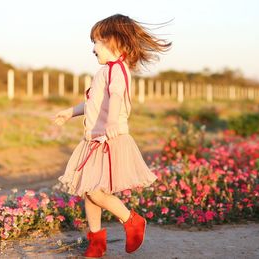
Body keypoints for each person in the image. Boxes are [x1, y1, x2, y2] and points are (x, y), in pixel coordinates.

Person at [52, 14, 171, 258]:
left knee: (96, 191)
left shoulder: (118, 69)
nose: (93, 48)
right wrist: (69, 112)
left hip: (109, 138)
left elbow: (116, 96)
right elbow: (92, 103)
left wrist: (112, 121)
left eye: (97, 42)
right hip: (94, 138)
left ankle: (133, 220)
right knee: (89, 190)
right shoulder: (103, 72)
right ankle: (96, 241)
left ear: (115, 42)